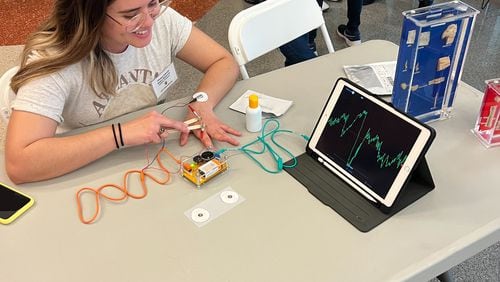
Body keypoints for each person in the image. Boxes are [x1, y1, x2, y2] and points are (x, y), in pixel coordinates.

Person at [6, 0, 241, 184]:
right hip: (87, 165)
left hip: (149, 156)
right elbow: (20, 164)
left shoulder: (161, 20)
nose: (149, 22)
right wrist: (121, 135)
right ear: (91, 15)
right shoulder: (54, 61)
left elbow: (222, 61)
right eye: (130, 15)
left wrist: (202, 103)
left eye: (153, 3)